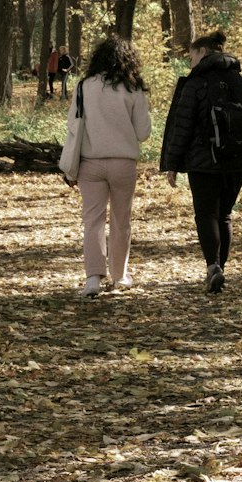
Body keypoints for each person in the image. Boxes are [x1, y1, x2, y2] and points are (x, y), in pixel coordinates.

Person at [161, 28, 242, 294]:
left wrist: (172, 163)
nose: (190, 62)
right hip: (238, 161)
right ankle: (220, 268)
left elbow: (182, 125)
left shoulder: (196, 83)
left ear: (203, 52)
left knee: (206, 214)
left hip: (203, 161)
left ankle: (213, 266)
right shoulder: (241, 81)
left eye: (192, 56)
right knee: (225, 215)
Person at [62, 36, 151, 297]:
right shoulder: (133, 88)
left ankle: (93, 278)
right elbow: (144, 132)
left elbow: (72, 124)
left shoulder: (84, 86)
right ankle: (120, 276)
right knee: (121, 220)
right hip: (123, 163)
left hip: (90, 163)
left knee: (93, 221)